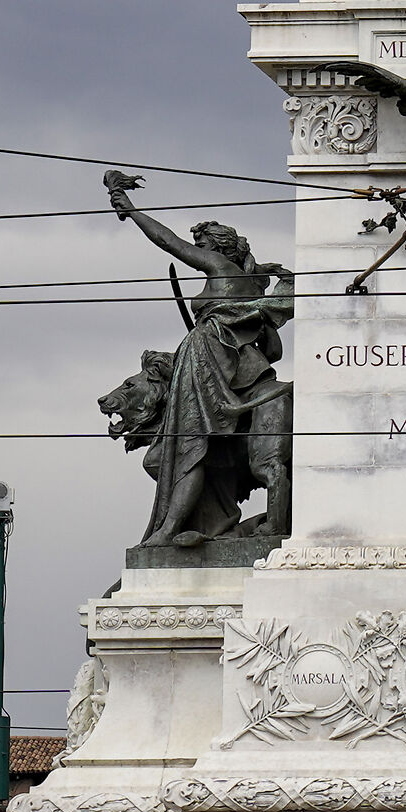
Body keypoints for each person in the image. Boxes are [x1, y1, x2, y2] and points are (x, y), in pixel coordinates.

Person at [106, 183, 294, 546]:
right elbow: (273, 352)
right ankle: (205, 522)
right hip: (243, 373)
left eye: (204, 246)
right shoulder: (252, 291)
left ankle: (169, 530)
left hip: (207, 370)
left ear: (217, 250)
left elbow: (170, 242)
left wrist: (132, 211)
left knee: (188, 448)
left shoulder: (220, 266)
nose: (200, 252)